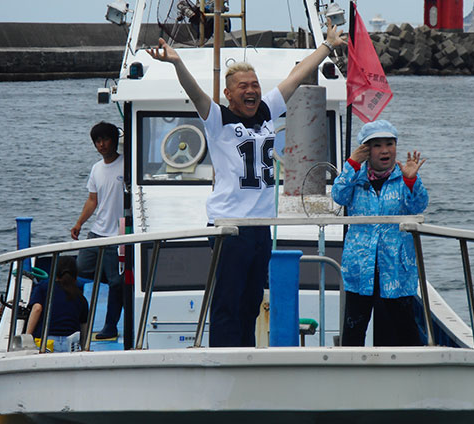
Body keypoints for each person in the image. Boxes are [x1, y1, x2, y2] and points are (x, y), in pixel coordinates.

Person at [147, 21, 345, 347]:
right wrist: (177, 62)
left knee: (252, 301)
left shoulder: (266, 113)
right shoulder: (218, 121)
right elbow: (195, 93)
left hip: (259, 228)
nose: (251, 90)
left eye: (254, 84)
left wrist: (327, 46)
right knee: (228, 302)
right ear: (228, 94)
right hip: (230, 227)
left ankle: (245, 354)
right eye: (243, 86)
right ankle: (225, 359)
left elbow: (295, 79)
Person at [332, 120, 428, 346]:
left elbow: (418, 206)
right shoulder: (355, 176)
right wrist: (352, 164)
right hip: (360, 267)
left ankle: (411, 375)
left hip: (395, 266)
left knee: (404, 329)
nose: (385, 150)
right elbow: (338, 196)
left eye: (389, 144)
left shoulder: (403, 176)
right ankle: (350, 374)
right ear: (365, 150)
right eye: (377, 145)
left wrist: (412, 180)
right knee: (354, 329)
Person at [71, 121, 124, 340]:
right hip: (97, 232)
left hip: (117, 235)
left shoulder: (127, 164)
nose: (101, 145)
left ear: (115, 140)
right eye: (97, 141)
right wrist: (79, 223)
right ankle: (75, 320)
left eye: (105, 139)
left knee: (116, 283)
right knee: (80, 269)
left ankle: (110, 326)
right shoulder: (96, 168)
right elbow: (93, 200)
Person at [25, 256, 89, 352]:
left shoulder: (43, 286)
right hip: (71, 344)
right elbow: (84, 325)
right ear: (75, 274)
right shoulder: (80, 297)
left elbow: (37, 308)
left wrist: (27, 338)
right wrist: (84, 347)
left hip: (47, 342)